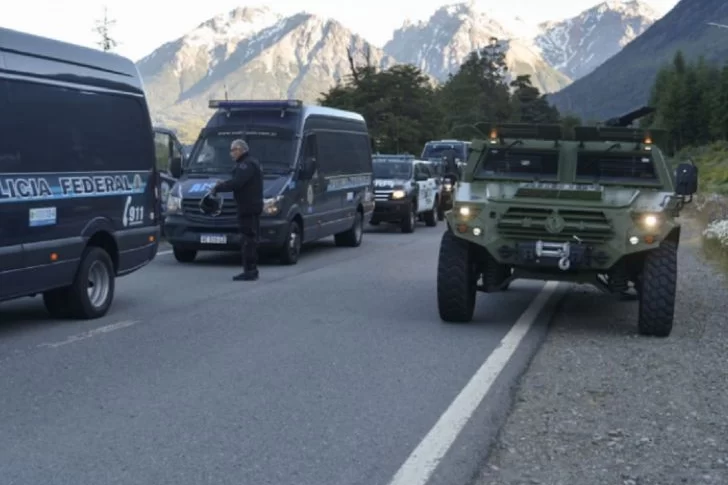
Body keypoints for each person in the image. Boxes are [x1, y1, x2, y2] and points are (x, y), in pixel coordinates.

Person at [211, 139, 263, 281]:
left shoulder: (246, 164)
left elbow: (237, 183)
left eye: (233, 150)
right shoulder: (249, 163)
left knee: (248, 240)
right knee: (249, 238)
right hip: (250, 206)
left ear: (241, 150)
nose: (231, 153)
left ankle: (250, 271)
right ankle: (250, 269)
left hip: (248, 207)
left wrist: (219, 188)